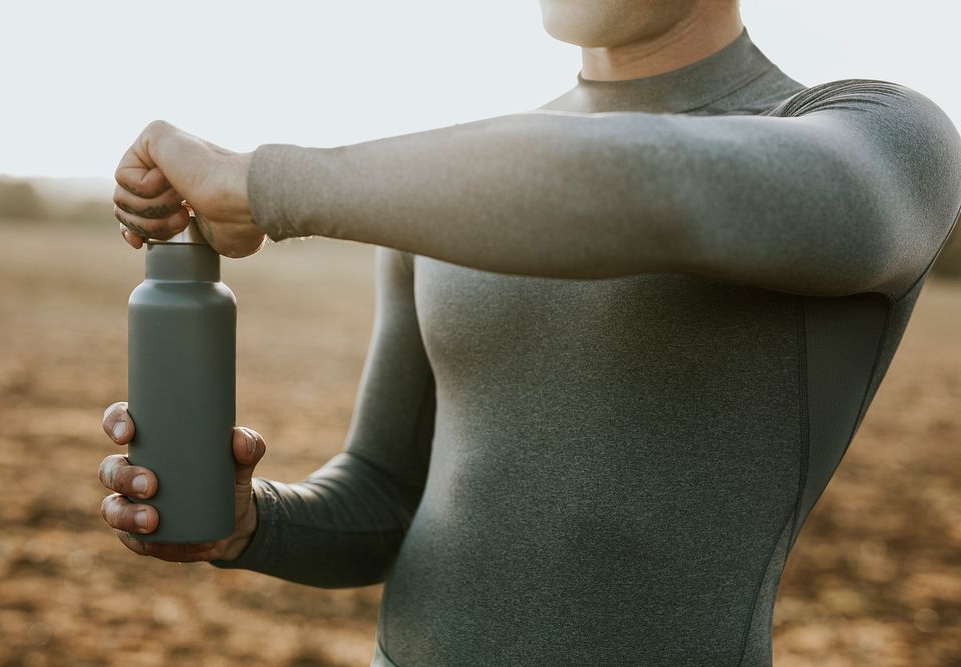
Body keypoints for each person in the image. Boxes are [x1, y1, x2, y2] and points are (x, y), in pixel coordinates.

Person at [98, 1, 961, 664]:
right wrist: (252, 522)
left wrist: (267, 184)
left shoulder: (882, 135)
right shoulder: (444, 183)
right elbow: (384, 494)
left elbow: (645, 188)